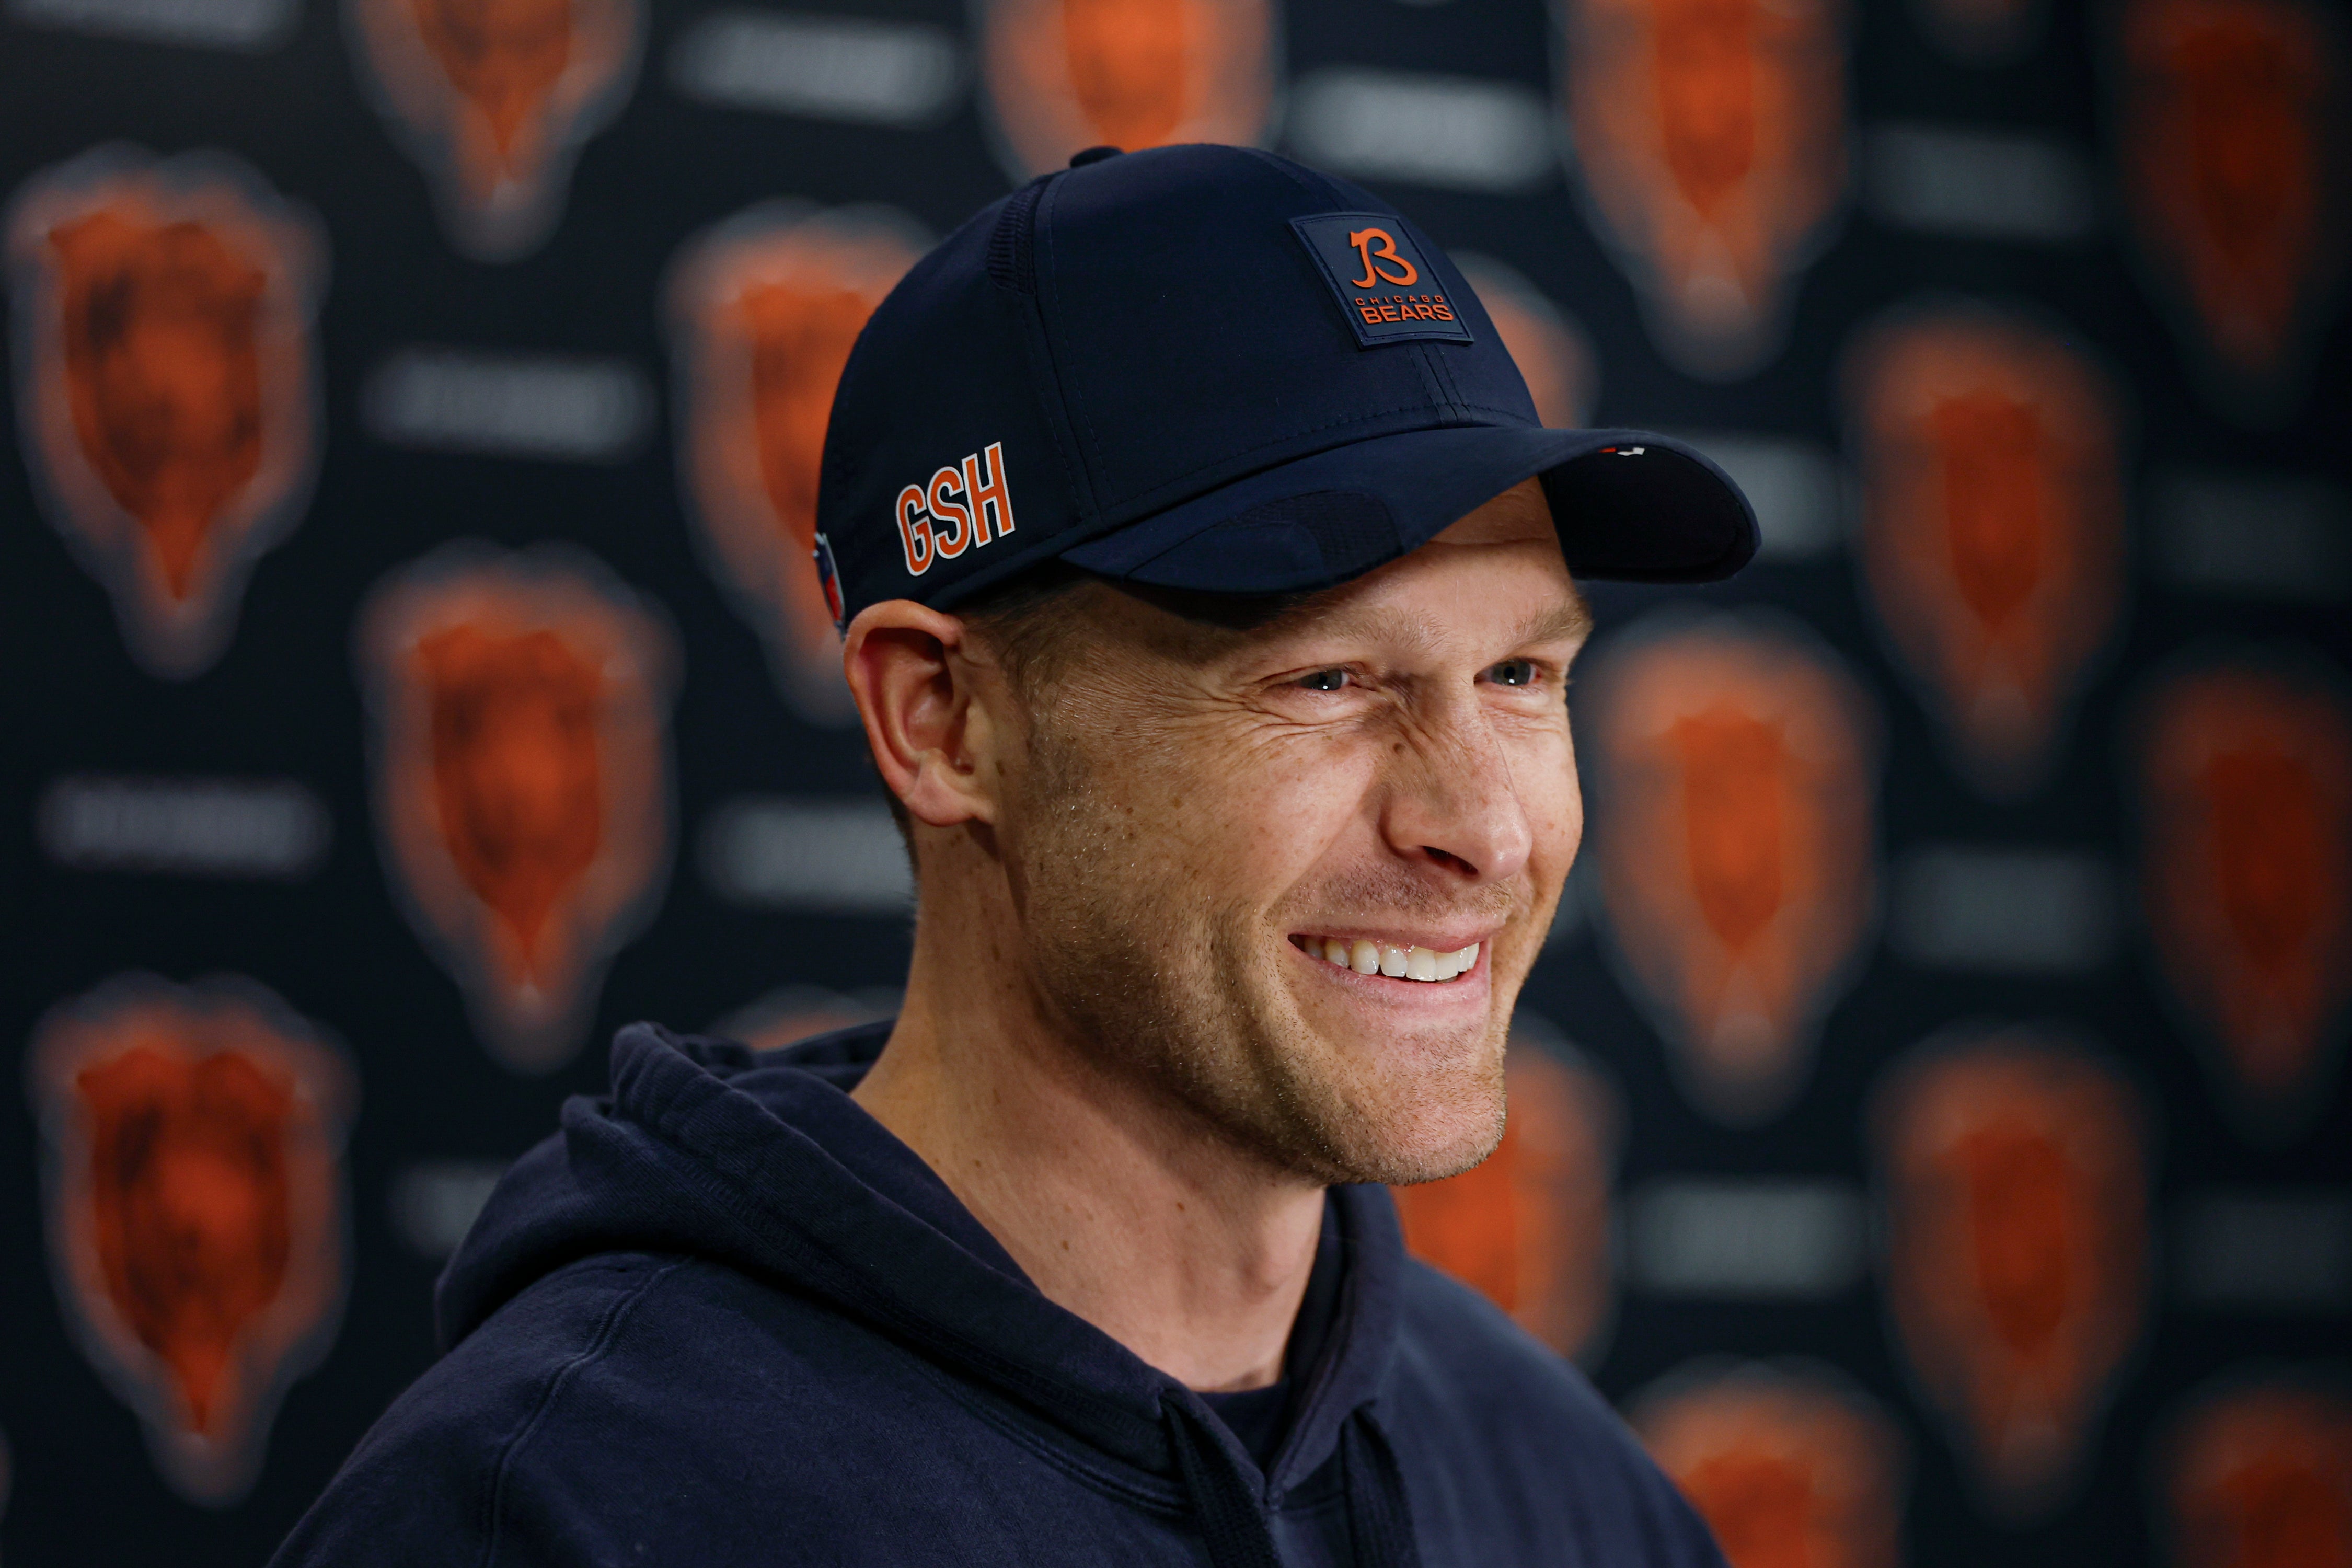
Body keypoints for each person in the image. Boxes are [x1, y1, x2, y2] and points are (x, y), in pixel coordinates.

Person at [272, 143, 1756, 1567]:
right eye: (1328, 681)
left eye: (1521, 677)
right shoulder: (552, 1512)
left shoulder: (1556, 1478)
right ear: (942, 722)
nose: (1482, 827)